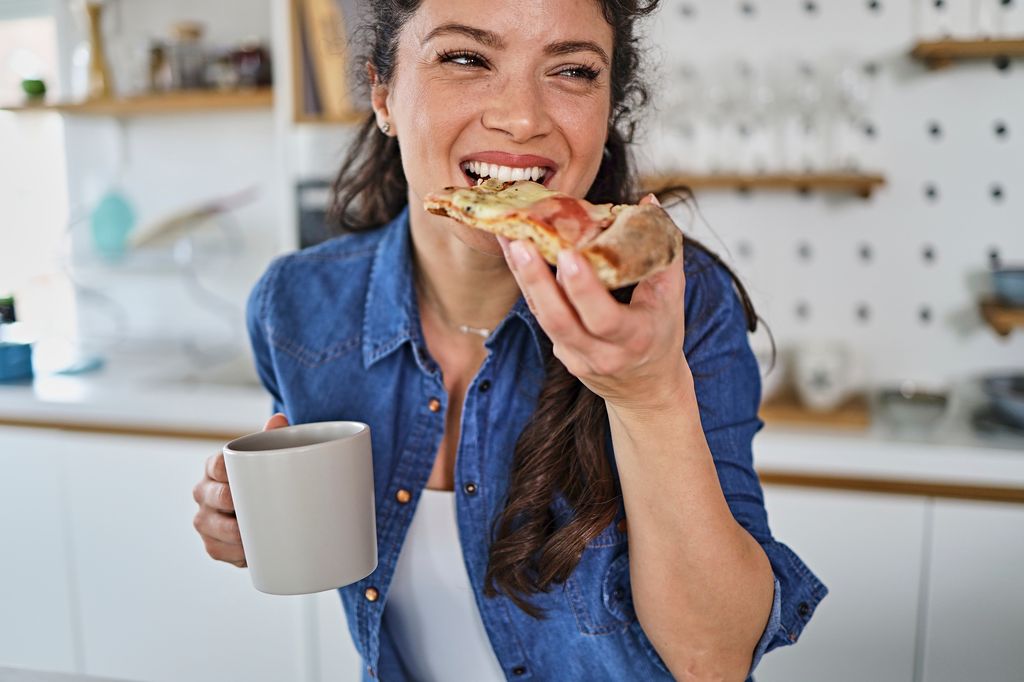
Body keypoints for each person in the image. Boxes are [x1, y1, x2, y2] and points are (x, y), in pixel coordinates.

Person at [192, 1, 828, 679]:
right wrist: (249, 526)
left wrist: (649, 395)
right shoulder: (296, 308)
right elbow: (323, 543)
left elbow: (715, 659)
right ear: (383, 92)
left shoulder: (672, 298)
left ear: (609, 102)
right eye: (466, 58)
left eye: (574, 70)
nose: (522, 118)